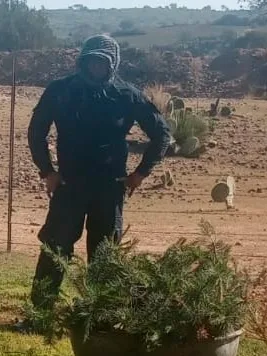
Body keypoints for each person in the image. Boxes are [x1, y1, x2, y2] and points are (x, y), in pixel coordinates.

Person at [28, 34, 171, 301]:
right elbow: (36, 132)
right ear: (82, 61)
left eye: (102, 63)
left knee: (104, 256)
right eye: (91, 61)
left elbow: (162, 134)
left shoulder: (126, 95)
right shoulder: (60, 90)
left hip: (109, 188)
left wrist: (140, 174)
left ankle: (101, 318)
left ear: (113, 64)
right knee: (55, 249)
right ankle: (39, 314)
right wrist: (47, 171)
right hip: (68, 185)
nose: (96, 68)